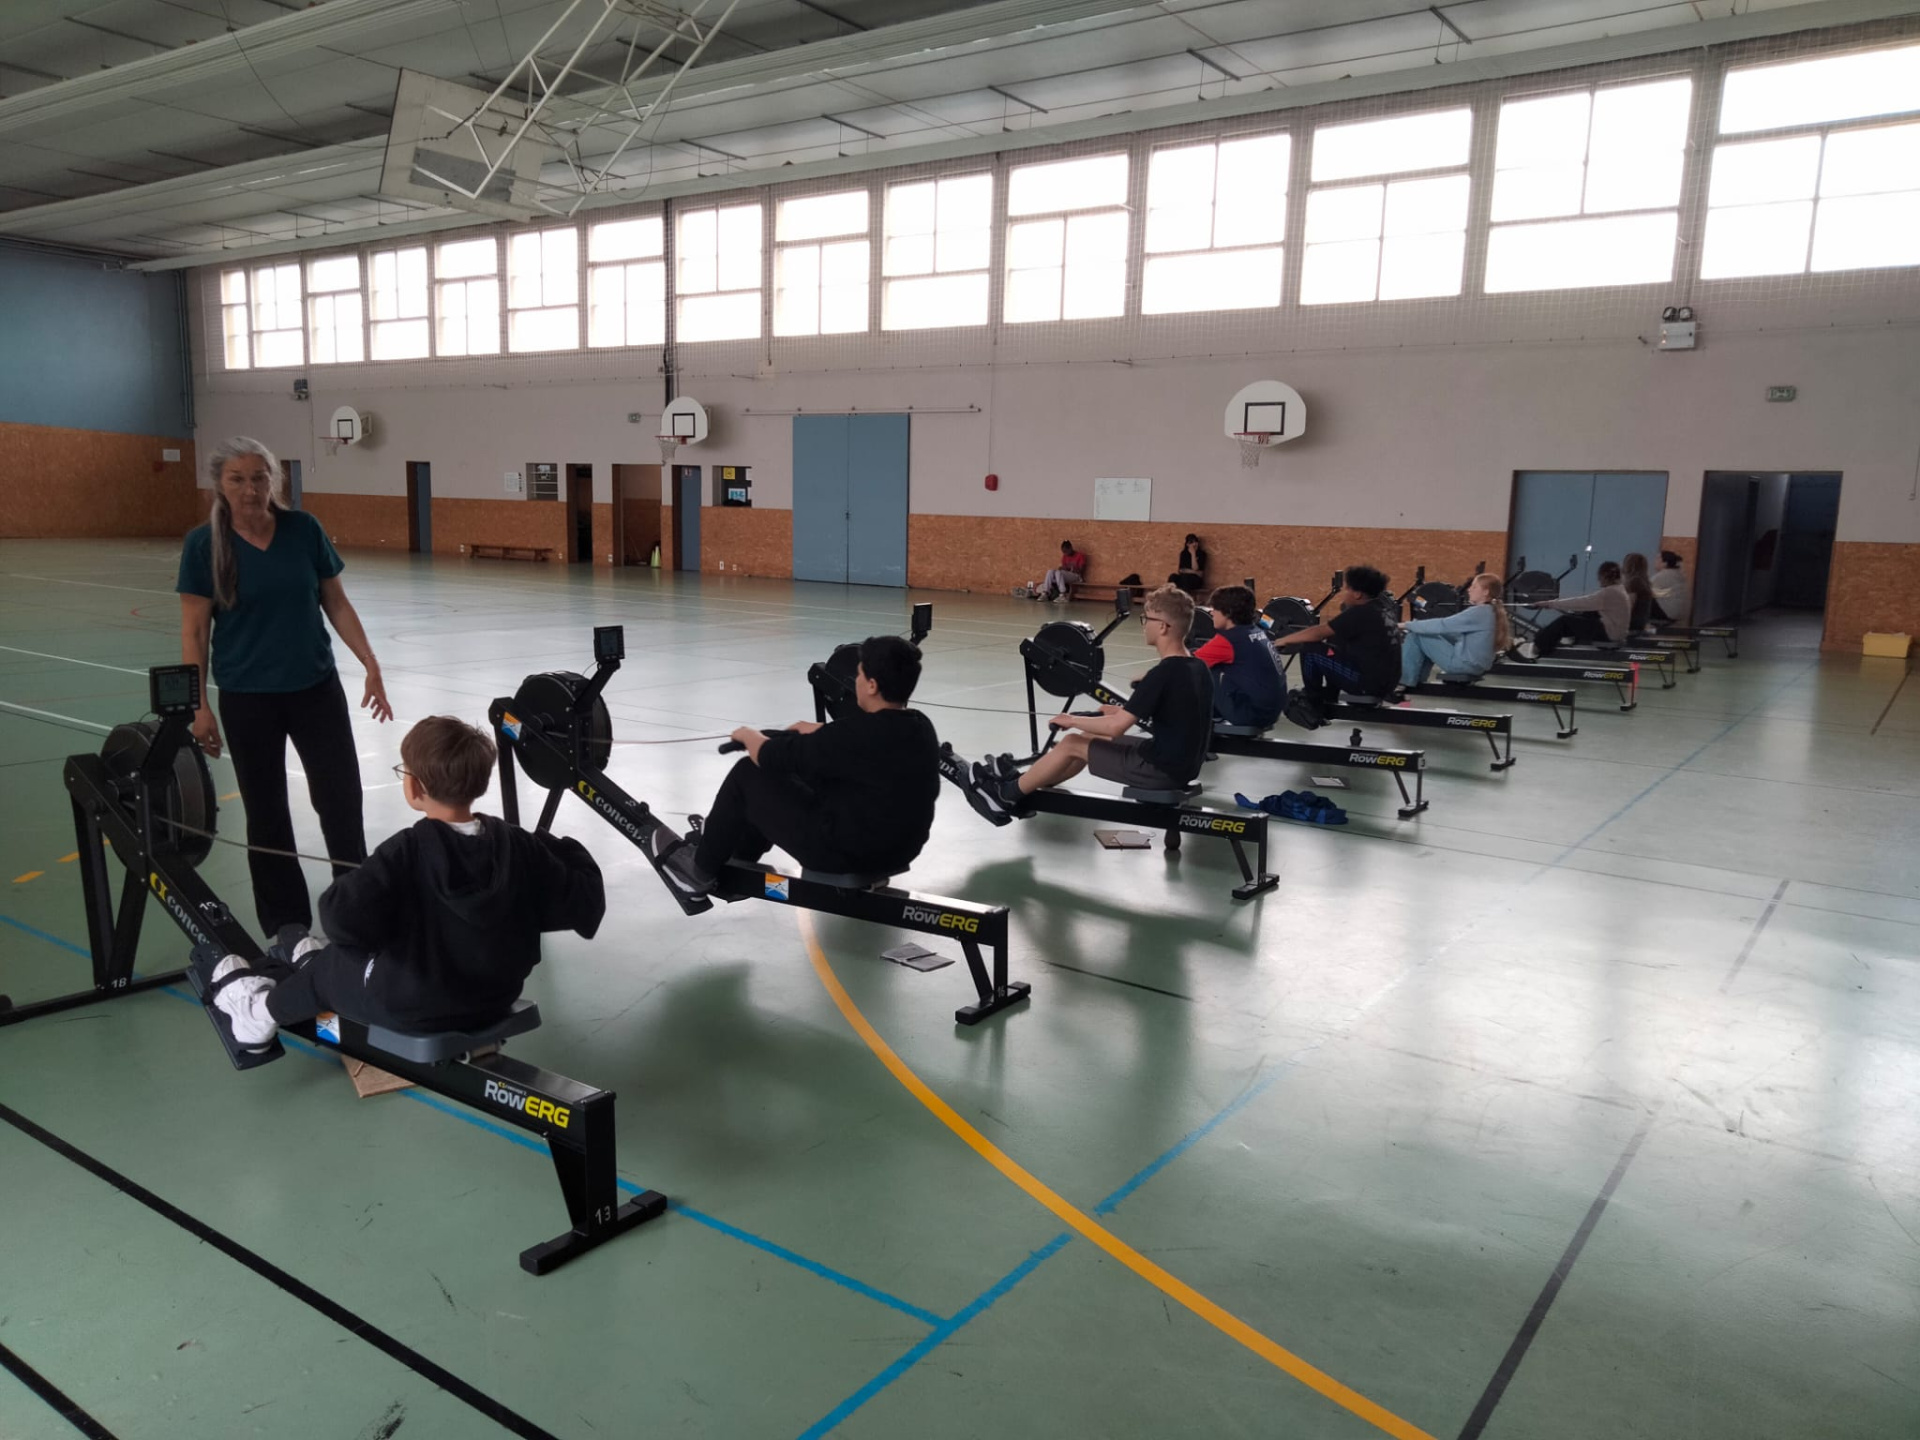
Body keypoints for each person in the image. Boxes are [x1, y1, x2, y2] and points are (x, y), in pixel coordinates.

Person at [200, 716, 606, 1049]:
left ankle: (256, 1017)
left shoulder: (406, 850)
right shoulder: (518, 845)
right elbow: (583, 904)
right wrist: (561, 847)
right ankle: (318, 967)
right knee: (349, 960)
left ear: (413, 787)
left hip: (415, 1008)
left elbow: (340, 919)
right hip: (494, 997)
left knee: (330, 971)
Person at [178, 437, 393, 938]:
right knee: (266, 811)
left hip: (315, 689)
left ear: (273, 480)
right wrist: (198, 706)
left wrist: (370, 662)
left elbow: (335, 602)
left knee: (341, 799)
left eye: (259, 478)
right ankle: (287, 925)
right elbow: (195, 632)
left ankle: (356, 910)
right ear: (220, 485)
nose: (250, 490)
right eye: (237, 479)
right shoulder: (204, 545)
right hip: (247, 697)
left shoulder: (303, 530)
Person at [650, 635, 940, 896]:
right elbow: (855, 746)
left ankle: (698, 872)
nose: (857, 681)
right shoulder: (919, 726)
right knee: (805, 779)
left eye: (861, 674)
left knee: (748, 773)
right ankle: (737, 858)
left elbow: (772, 756)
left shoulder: (853, 736)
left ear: (872, 686)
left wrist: (749, 736)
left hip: (845, 854)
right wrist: (816, 731)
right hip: (898, 851)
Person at [971, 585, 1212, 814]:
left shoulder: (1163, 673)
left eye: (1146, 619)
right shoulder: (1197, 667)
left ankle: (1004, 796)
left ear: (1163, 627)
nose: (1144, 625)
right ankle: (1028, 782)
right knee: (1089, 736)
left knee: (1071, 743)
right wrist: (1115, 711)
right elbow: (1173, 713)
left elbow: (1116, 728)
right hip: (1182, 764)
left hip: (1160, 771)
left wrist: (1071, 720)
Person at [1270, 565, 1398, 728]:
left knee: (1310, 649)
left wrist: (1284, 640)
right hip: (1386, 683)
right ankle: (1330, 695)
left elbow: (1318, 633)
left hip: (1368, 685)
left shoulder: (1361, 613)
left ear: (1358, 594)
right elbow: (1333, 633)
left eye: (1347, 589)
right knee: (1336, 638)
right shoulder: (1383, 610)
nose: (1345, 593)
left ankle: (1313, 703)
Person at [1191, 585, 1287, 729]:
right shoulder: (1256, 630)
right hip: (1271, 710)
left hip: (1251, 714)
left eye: (1215, 609)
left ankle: (1194, 716)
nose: (1211, 612)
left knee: (1201, 669)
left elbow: (1187, 664)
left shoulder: (1229, 639)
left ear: (1228, 613)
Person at [1399, 573, 1510, 687]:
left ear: (1485, 592)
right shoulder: (1490, 611)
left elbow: (1442, 625)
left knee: (1416, 635)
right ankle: (1417, 680)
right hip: (1475, 665)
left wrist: (1406, 625)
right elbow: (1455, 633)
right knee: (1425, 632)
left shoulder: (1479, 612)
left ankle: (1404, 683)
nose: (1469, 590)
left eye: (1474, 587)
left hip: (1464, 665)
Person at [1520, 561, 1628, 658]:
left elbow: (1580, 602)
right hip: (1616, 632)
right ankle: (1568, 636)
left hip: (1610, 635)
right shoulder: (1620, 589)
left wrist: (1549, 604)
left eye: (1599, 577)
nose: (1598, 580)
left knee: (1565, 621)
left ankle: (1536, 649)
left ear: (1604, 576)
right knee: (1586, 613)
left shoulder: (1609, 593)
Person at [1650, 550, 1692, 626]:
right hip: (1681, 614)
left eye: (1658, 558)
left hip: (1668, 614)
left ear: (1665, 563)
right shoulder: (1678, 575)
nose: (1655, 561)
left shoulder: (1663, 576)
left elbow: (1646, 591)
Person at [1621, 552, 1656, 634]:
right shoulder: (1644, 581)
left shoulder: (1634, 582)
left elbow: (1628, 606)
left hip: (1632, 623)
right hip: (1640, 622)